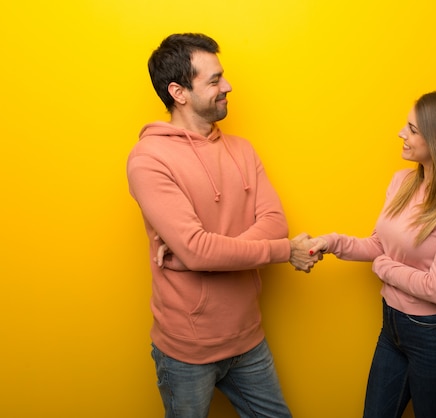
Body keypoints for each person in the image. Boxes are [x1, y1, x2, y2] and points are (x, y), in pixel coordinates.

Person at [126, 33, 319, 418]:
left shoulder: (242, 150)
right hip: (187, 351)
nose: (227, 86)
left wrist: (200, 255)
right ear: (178, 92)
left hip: (249, 339)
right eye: (214, 80)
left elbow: (273, 222)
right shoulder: (149, 160)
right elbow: (200, 250)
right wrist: (284, 251)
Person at [307, 90, 436, 418]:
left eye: (412, 129)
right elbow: (379, 245)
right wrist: (332, 242)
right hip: (392, 327)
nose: (401, 134)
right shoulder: (403, 181)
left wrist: (383, 268)